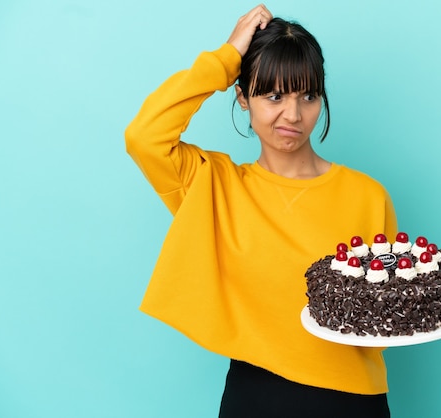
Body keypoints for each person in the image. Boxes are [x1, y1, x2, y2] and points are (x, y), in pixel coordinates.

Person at [125, 4, 396, 417]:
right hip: (255, 395)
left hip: (354, 399)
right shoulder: (212, 186)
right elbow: (144, 136)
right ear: (243, 98)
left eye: (308, 95)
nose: (293, 114)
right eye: (274, 96)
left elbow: (385, 313)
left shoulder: (367, 195)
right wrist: (226, 58)